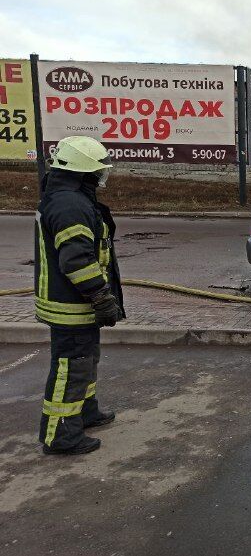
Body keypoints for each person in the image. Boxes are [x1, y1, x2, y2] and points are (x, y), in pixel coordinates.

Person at [34, 136, 125, 455]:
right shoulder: (70, 204)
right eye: (97, 170)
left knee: (84, 362)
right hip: (71, 305)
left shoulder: (66, 196)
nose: (102, 175)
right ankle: (61, 435)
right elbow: (75, 260)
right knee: (71, 367)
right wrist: (100, 295)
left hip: (75, 304)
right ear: (83, 171)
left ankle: (84, 412)